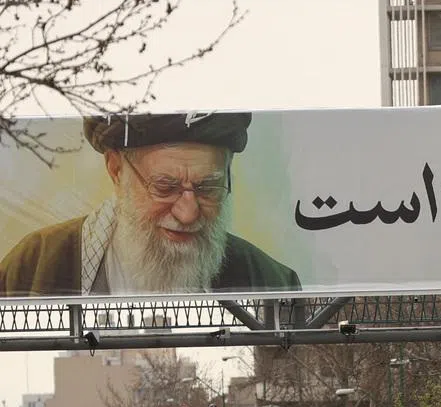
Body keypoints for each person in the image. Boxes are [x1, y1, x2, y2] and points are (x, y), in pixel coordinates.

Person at [0, 112, 300, 297]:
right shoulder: (32, 269)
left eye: (207, 187)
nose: (188, 212)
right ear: (116, 169)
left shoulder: (272, 282)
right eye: (165, 187)